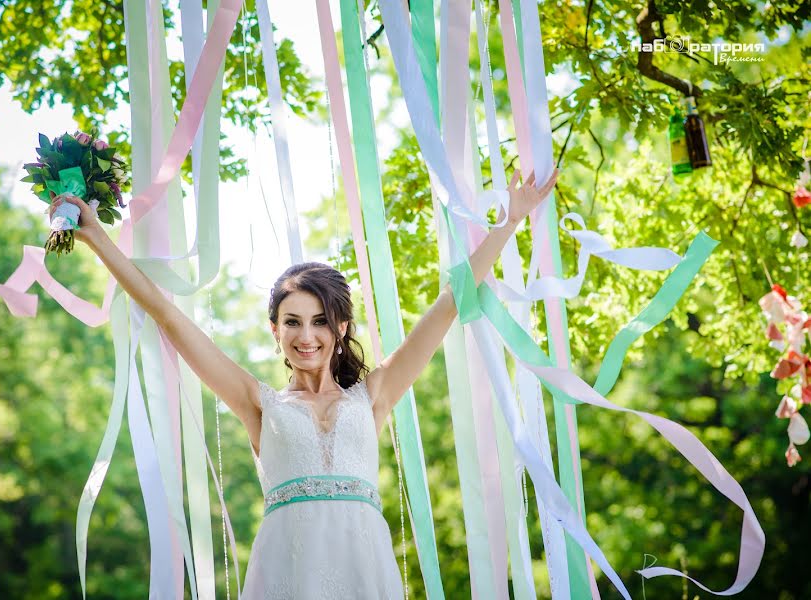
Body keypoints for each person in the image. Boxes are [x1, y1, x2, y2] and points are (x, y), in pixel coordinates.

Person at [49, 168, 558, 598]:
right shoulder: (259, 403)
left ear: (341, 328)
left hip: (366, 567)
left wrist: (509, 222)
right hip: (287, 574)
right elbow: (167, 315)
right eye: (292, 321)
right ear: (276, 330)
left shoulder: (374, 394)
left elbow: (450, 304)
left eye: (320, 321)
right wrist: (98, 239)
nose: (306, 335)